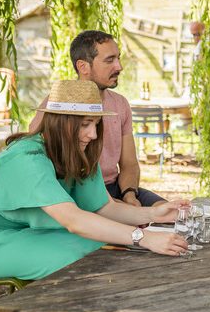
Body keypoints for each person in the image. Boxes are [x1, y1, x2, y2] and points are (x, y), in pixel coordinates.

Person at [0, 80, 188, 282]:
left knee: (105, 247)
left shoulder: (77, 150)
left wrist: (153, 215)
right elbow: (75, 221)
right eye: (85, 124)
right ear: (61, 123)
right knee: (88, 259)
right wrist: (144, 238)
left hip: (26, 232)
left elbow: (104, 207)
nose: (93, 135)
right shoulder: (26, 158)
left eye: (95, 124)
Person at [31, 30, 165, 207]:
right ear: (83, 67)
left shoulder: (120, 104)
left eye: (118, 58)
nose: (119, 67)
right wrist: (117, 206)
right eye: (109, 60)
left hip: (115, 187)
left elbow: (129, 164)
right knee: (135, 221)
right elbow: (35, 161)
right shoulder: (57, 105)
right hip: (75, 192)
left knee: (172, 214)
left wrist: (129, 195)